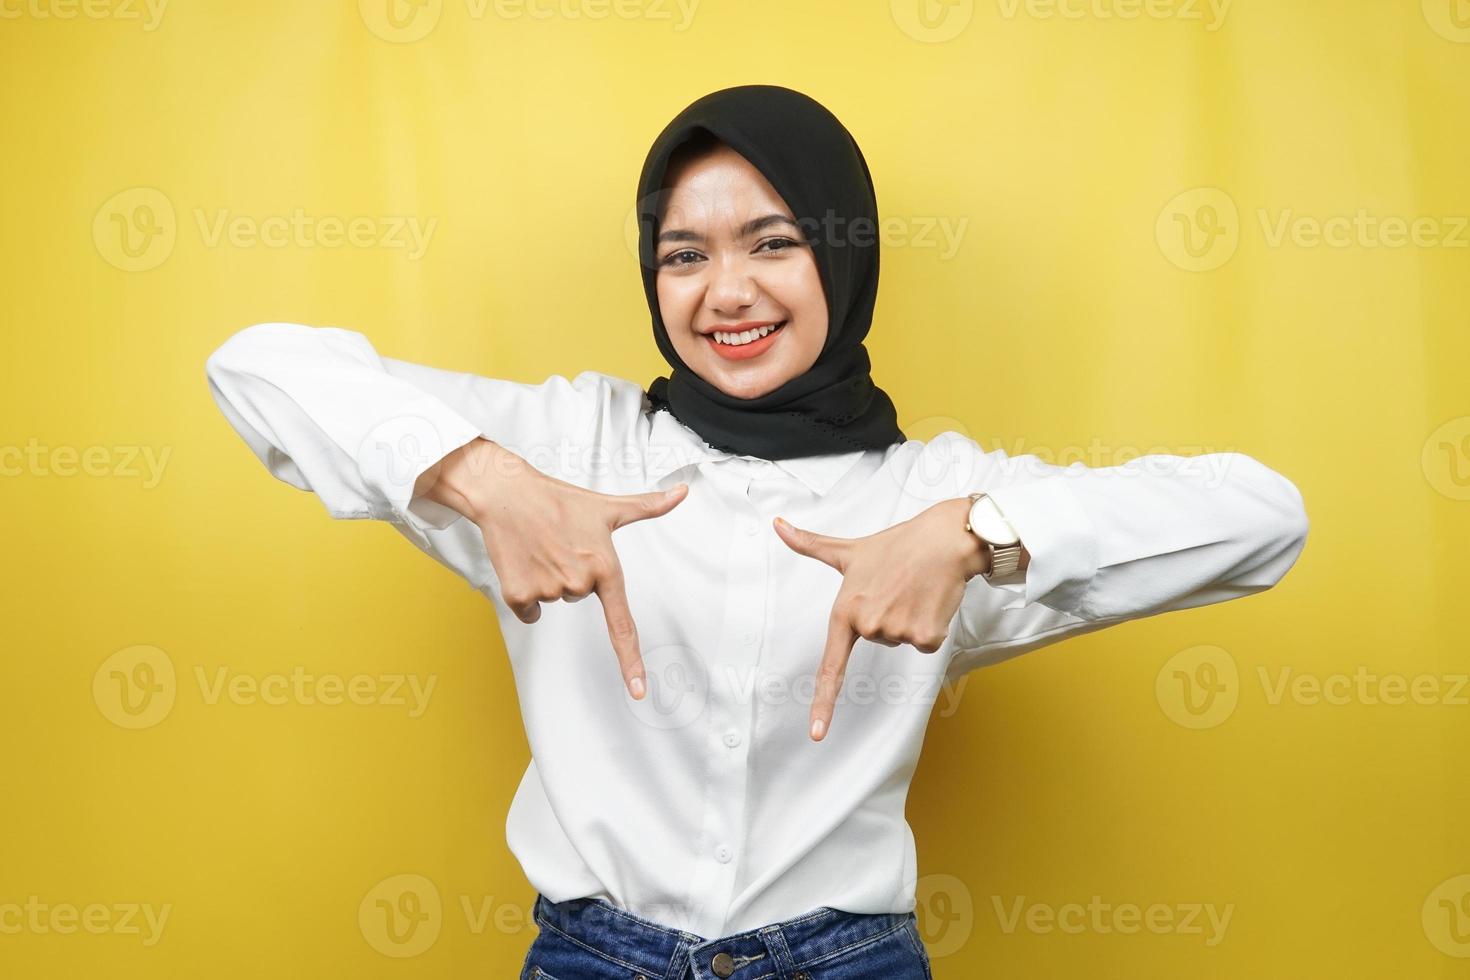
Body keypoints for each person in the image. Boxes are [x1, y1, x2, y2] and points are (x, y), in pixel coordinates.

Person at [204, 84, 1308, 980]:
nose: (725, 292)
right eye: (684, 254)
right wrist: (484, 478)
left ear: (844, 256)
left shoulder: (937, 491)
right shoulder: (570, 440)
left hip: (849, 960)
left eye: (771, 243)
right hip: (594, 956)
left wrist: (976, 531)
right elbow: (253, 361)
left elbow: (1264, 514)